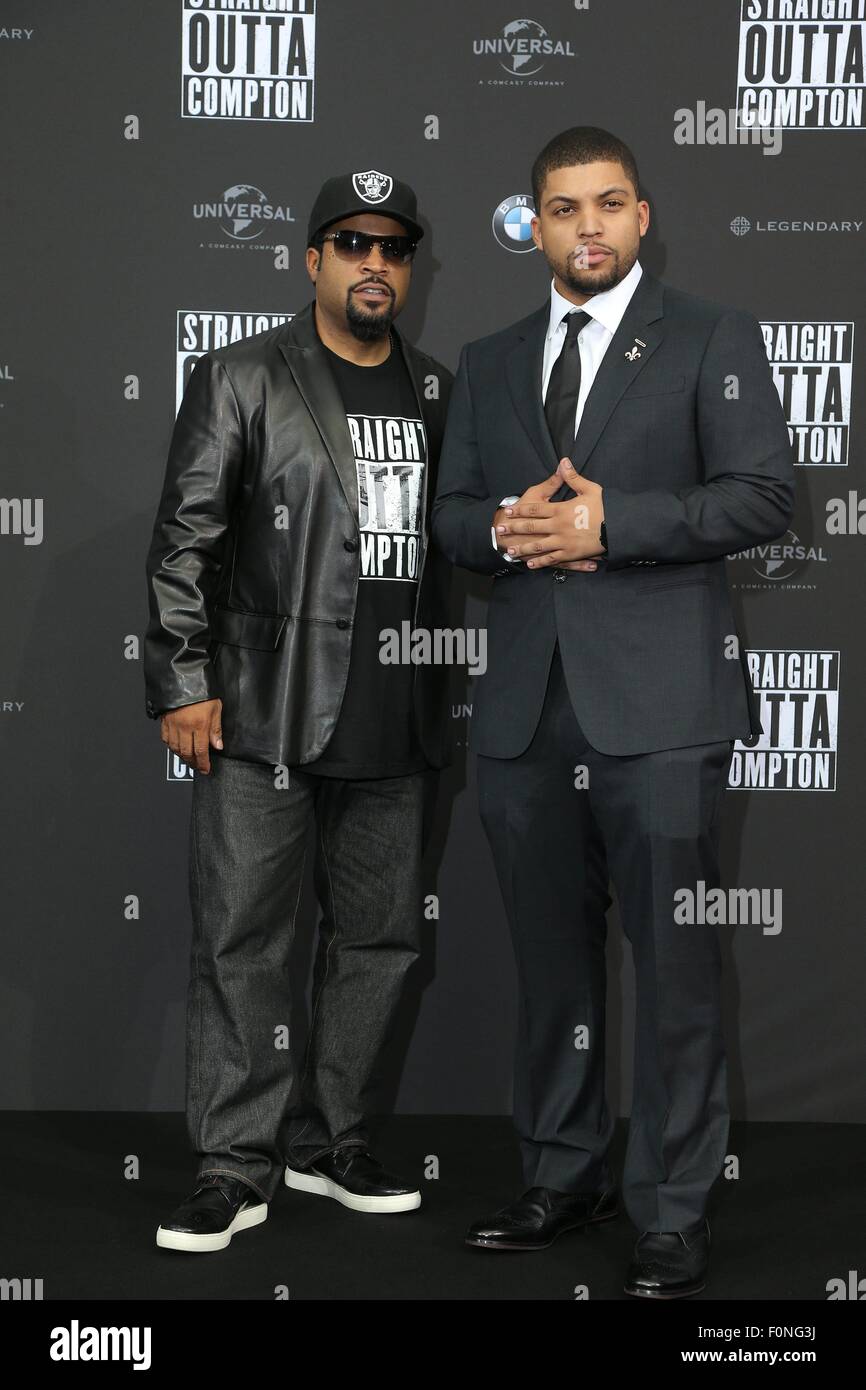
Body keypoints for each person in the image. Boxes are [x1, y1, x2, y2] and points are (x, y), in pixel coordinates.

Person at [432, 126, 795, 1298]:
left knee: (676, 969)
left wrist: (610, 525)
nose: (584, 226)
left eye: (606, 204)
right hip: (527, 716)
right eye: (560, 208)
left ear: (642, 217)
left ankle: (672, 1207)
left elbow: (761, 494)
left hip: (661, 709)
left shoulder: (707, 337)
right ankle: (561, 1170)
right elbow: (446, 517)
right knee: (551, 969)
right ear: (529, 226)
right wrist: (499, 528)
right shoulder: (486, 361)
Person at [144, 169, 454, 1252]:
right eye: (351, 243)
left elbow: (451, 554)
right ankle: (235, 1166)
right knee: (243, 944)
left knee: (375, 943)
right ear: (310, 259)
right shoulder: (240, 377)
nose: (376, 263)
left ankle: (329, 1144)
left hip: (396, 718)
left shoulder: (437, 391)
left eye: (394, 247)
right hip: (267, 715)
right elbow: (186, 541)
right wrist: (182, 682)